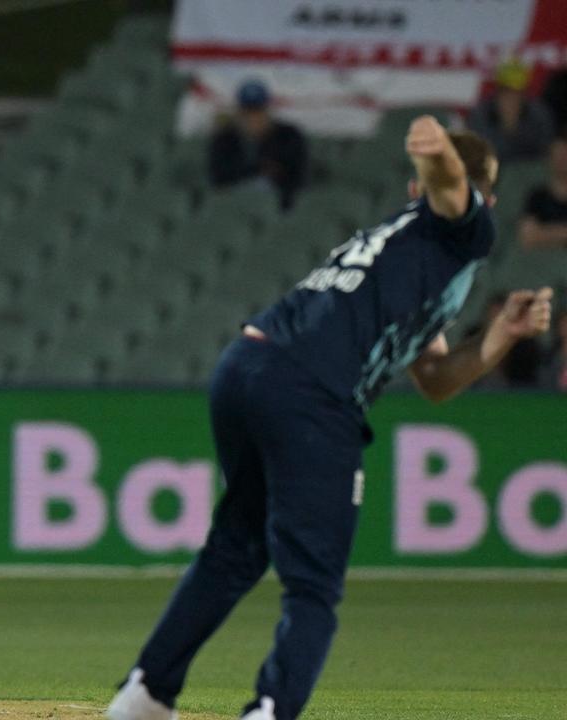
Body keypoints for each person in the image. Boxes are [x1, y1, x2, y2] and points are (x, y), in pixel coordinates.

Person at [106, 117, 554, 720]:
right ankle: (270, 710)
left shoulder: (406, 252)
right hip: (310, 394)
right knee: (313, 588)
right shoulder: (458, 231)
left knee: (235, 548)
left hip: (245, 367)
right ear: (484, 201)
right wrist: (441, 151)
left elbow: (437, 380)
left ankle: (146, 695)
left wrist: (499, 335)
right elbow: (453, 187)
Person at [208, 79, 308, 211]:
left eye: (259, 111)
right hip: (233, 208)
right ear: (239, 112)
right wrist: (257, 169)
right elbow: (218, 178)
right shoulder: (224, 139)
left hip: (279, 207)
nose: (254, 118)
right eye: (248, 112)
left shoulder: (289, 136)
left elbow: (300, 178)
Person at [467, 58, 555, 163]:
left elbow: (546, 153)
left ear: (524, 93)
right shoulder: (480, 115)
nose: (512, 98)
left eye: (517, 92)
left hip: (530, 174)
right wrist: (506, 125)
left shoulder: (539, 115)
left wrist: (514, 126)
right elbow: (477, 154)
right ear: (498, 91)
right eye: (507, 91)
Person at [517, 135, 567, 249]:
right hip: (542, 262)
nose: (562, 161)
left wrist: (545, 232)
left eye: (565, 155)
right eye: (558, 155)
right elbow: (527, 237)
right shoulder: (538, 196)